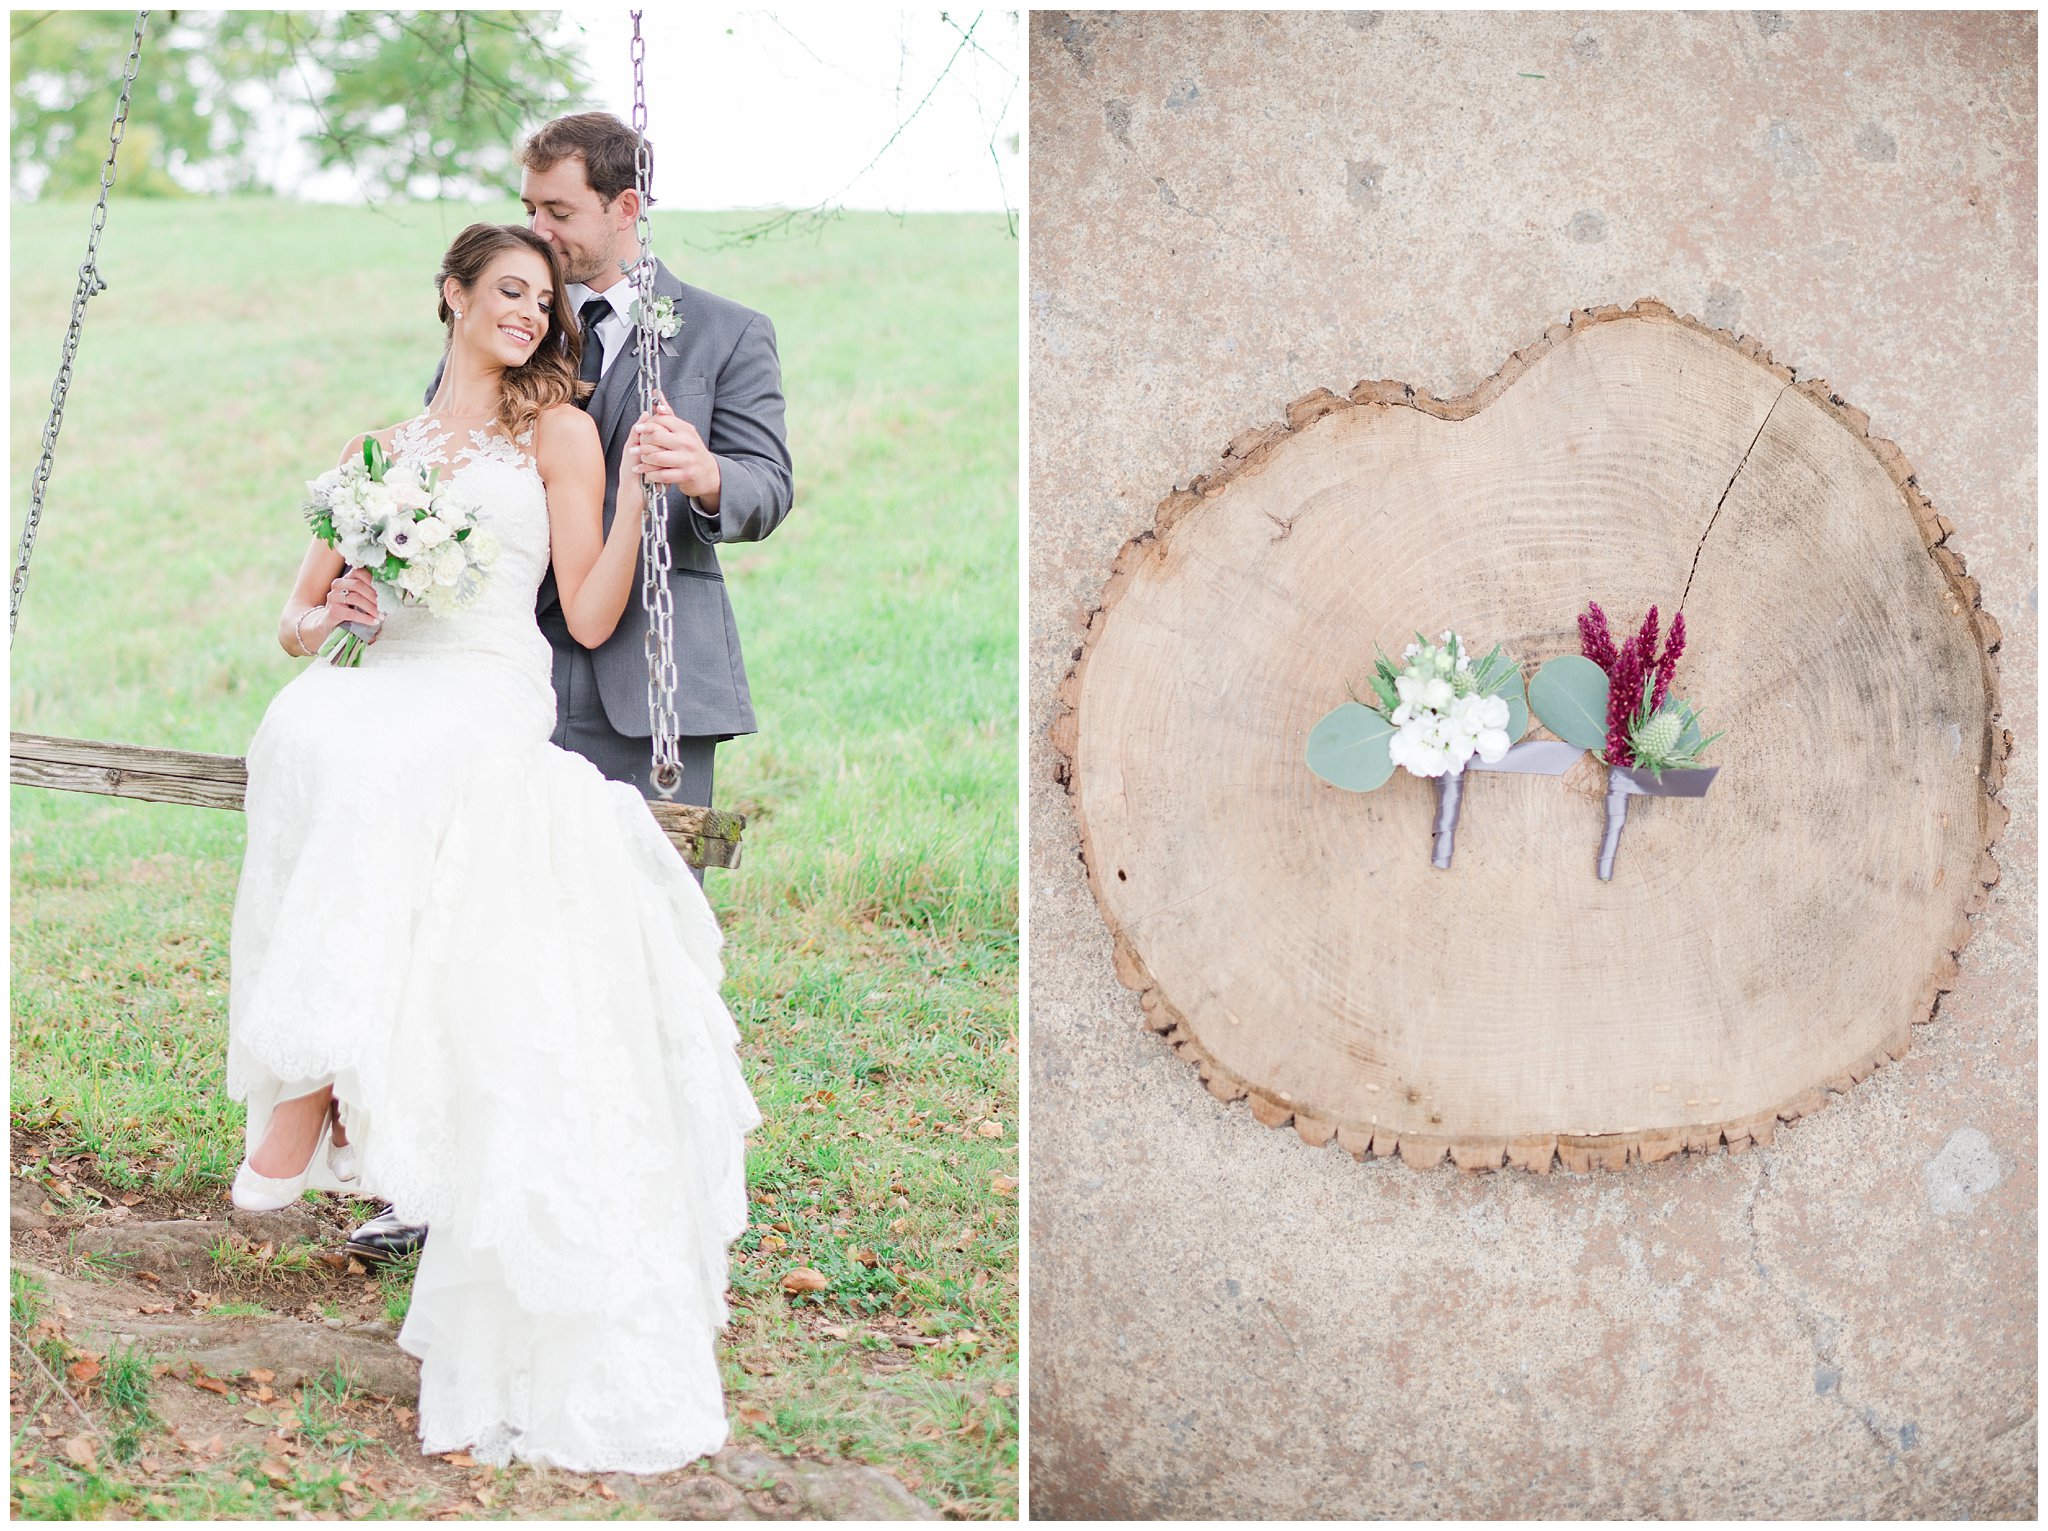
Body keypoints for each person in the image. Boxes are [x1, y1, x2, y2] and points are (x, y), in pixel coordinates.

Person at [224, 223, 760, 1471]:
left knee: (383, 759)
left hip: (484, 685)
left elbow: (582, 609)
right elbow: (293, 622)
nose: (529, 313)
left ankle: (308, 1094)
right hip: (391, 671)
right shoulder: (379, 450)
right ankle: (332, 1073)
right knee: (308, 726)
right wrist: (335, 609)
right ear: (452, 298)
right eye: (506, 292)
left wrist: (635, 495)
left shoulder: (559, 433)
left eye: (544, 299)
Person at [350, 108, 795, 1270]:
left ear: (624, 209)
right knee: (478, 939)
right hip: (497, 681)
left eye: (558, 213)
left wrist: (703, 474)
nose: (538, 235)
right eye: (529, 210)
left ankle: (638, 1190)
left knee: (639, 941)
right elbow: (443, 464)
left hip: (650, 686)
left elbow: (767, 481)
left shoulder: (728, 333)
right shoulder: (510, 313)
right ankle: (448, 1188)